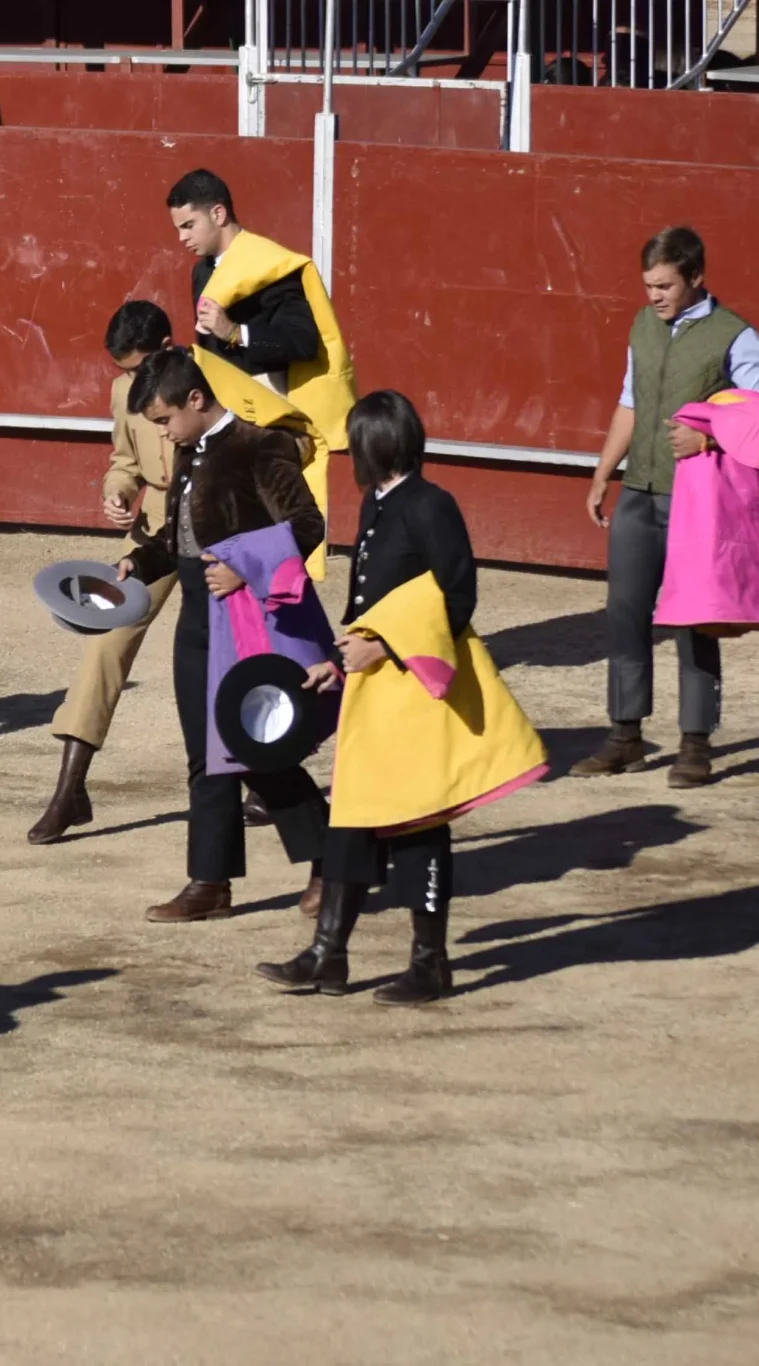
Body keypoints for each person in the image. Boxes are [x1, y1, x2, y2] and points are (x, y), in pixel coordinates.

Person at [259, 392, 546, 1004]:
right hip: (376, 689)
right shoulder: (379, 503)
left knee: (418, 823)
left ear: (370, 447)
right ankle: (327, 956)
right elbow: (373, 601)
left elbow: (457, 596)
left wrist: (385, 649)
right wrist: (342, 659)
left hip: (417, 687)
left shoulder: (431, 505)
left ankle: (430, 963)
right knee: (354, 817)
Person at [117, 349, 330, 924]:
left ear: (195, 399)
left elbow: (309, 523)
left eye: (165, 419)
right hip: (196, 615)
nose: (164, 433)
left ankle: (331, 856)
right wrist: (141, 561)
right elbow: (181, 537)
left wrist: (246, 565)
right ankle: (209, 881)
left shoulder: (259, 446)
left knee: (255, 746)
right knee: (204, 753)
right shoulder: (191, 451)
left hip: (244, 615)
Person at [575, 226, 759, 787]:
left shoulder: (736, 336)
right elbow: (630, 402)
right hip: (640, 487)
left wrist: (711, 439)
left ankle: (696, 743)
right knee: (625, 613)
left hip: (699, 497)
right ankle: (625, 736)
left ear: (695, 277)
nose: (654, 296)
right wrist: (602, 473)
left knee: (696, 617)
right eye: (648, 285)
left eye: (665, 285)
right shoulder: (644, 325)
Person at [31, 301, 180, 845]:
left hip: (218, 523)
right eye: (124, 372)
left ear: (167, 347)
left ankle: (267, 777)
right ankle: (69, 790)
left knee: (232, 648)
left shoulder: (208, 383)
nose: (132, 382)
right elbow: (125, 461)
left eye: (139, 369)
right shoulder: (125, 392)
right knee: (105, 642)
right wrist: (116, 493)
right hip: (154, 526)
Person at [167, 167, 354, 585]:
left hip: (269, 413)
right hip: (223, 411)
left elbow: (304, 341)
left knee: (266, 516)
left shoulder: (275, 268)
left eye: (188, 225)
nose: (182, 237)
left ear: (218, 213)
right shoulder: (202, 271)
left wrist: (236, 333)